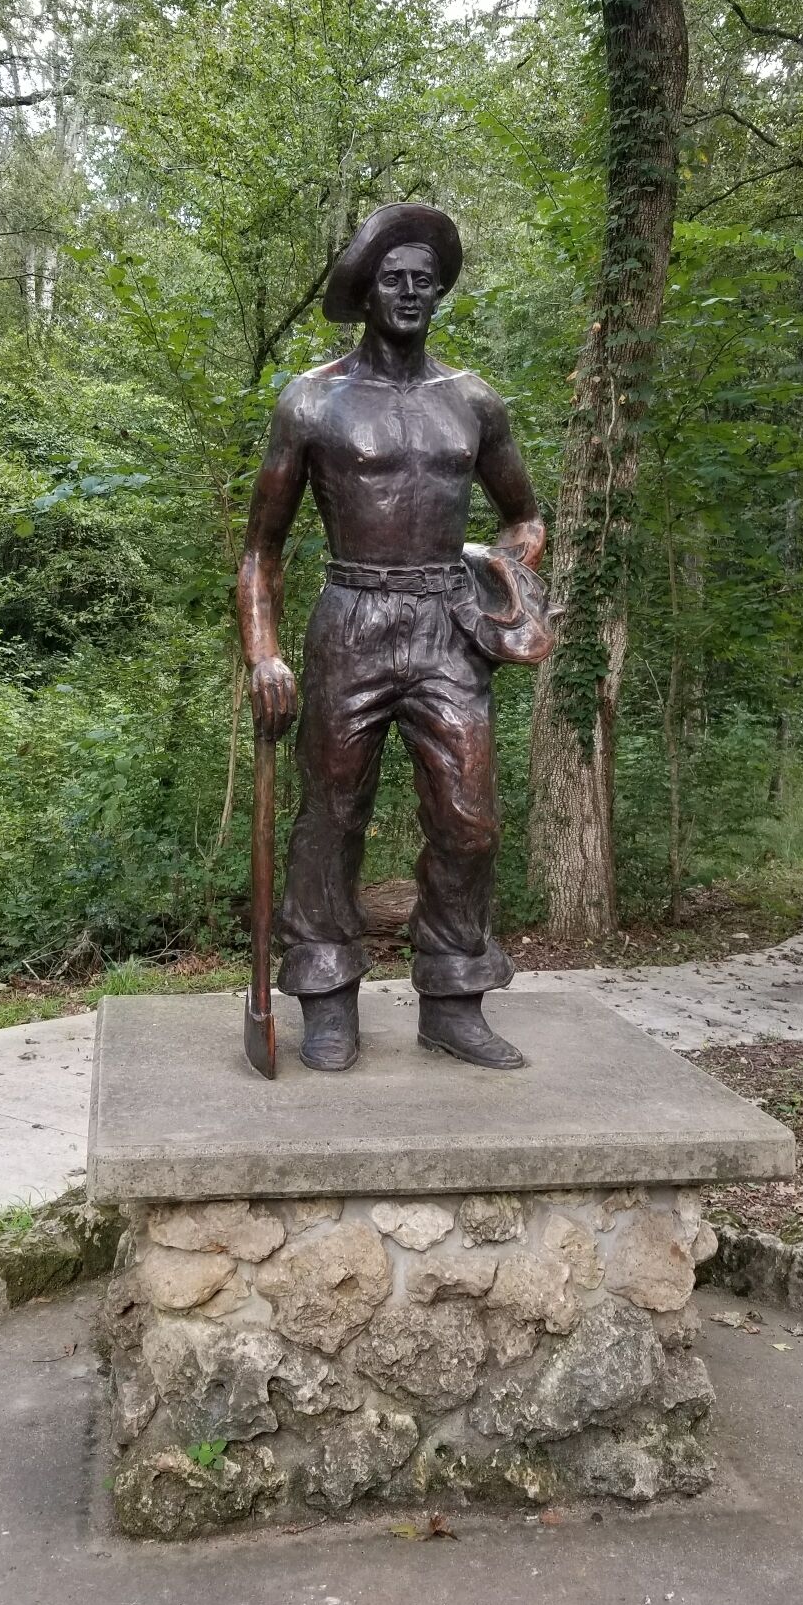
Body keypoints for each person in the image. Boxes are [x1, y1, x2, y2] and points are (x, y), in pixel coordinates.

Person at [237, 202, 551, 1072]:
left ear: (439, 291)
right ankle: (327, 995)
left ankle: (452, 996)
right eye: (394, 278)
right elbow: (260, 552)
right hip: (352, 618)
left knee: (472, 819)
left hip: (447, 624)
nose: (411, 293)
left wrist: (503, 577)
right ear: (365, 290)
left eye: (425, 280)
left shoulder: (474, 403)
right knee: (331, 814)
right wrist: (264, 652)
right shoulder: (312, 401)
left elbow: (524, 516)